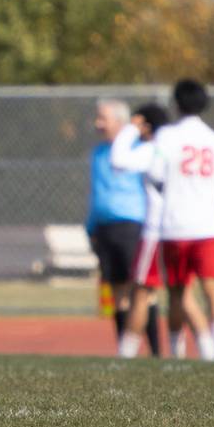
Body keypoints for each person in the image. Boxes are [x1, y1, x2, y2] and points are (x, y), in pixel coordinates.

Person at [149, 79, 214, 361]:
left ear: (177, 103)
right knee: (211, 289)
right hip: (209, 225)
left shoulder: (166, 137)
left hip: (175, 226)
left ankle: (177, 351)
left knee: (176, 292)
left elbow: (156, 175)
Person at [85, 98, 156, 354]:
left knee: (142, 290)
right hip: (105, 229)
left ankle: (157, 352)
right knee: (117, 293)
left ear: (120, 121)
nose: (98, 123)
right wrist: (90, 226)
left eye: (103, 118)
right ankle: (125, 352)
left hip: (133, 226)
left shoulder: (140, 150)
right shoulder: (97, 154)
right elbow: (95, 193)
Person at [108, 103, 171, 359]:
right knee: (182, 293)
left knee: (141, 291)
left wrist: (129, 131)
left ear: (145, 125)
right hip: (181, 228)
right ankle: (210, 351)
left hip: (156, 230)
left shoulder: (152, 150)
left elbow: (118, 160)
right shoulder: (174, 148)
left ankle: (127, 353)